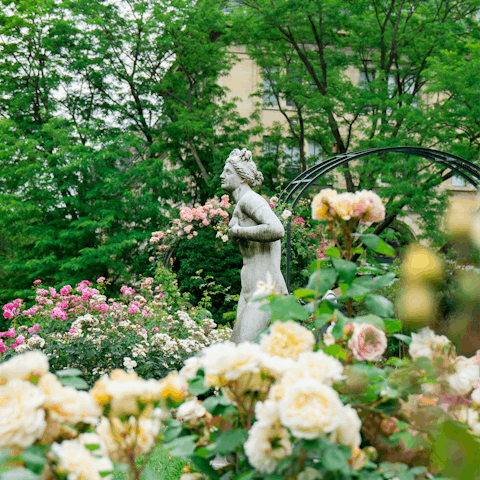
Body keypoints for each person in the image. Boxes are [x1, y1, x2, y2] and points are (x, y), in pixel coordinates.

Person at [220, 148, 287, 343]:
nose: (222, 176)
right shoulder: (240, 204)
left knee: (243, 353)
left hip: (265, 289)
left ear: (242, 178)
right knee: (238, 355)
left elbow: (277, 229)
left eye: (228, 172)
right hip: (249, 290)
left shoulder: (250, 199)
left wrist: (238, 232)